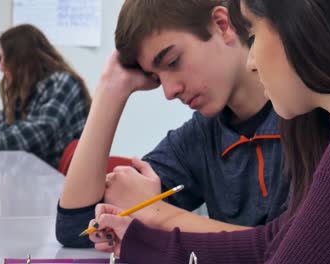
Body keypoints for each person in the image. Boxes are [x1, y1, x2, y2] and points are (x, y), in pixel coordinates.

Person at [86, 0, 330, 263]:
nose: (251, 60)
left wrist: (158, 221)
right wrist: (138, 241)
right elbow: (277, 240)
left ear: (301, 23)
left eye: (252, 32)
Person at [56, 0, 290, 248]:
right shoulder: (202, 133)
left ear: (222, 26)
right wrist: (111, 89)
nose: (168, 91)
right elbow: (78, 227)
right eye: (156, 77)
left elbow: (294, 246)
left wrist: (158, 215)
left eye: (172, 62)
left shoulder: (309, 118)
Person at [0, 24, 91, 168]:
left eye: (3, 58)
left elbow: (29, 138)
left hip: (55, 182)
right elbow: (3, 121)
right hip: (35, 175)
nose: (1, 67)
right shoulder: (33, 87)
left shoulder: (61, 83)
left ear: (21, 57)